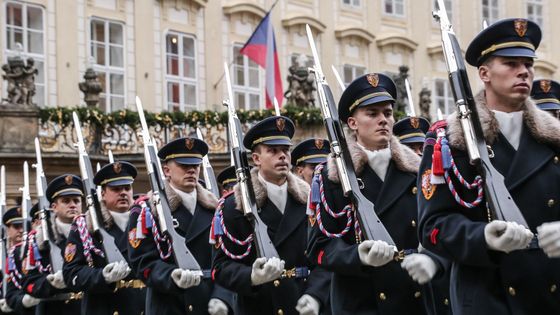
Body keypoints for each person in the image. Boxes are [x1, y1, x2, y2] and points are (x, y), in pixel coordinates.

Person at [418, 18, 560, 314]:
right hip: (487, 296)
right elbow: (432, 227)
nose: (524, 71)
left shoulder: (554, 139)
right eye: (510, 63)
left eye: (528, 64)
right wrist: (480, 237)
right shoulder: (451, 140)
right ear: (484, 73)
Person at [306, 73, 442, 314]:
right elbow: (320, 248)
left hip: (416, 296)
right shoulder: (332, 177)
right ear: (352, 123)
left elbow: (439, 226)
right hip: (363, 301)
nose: (383, 120)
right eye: (372, 114)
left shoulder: (417, 169)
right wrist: (357, 255)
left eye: (388, 113)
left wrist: (433, 259)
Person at [212, 116, 330, 315]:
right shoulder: (235, 205)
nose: (282, 156)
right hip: (260, 306)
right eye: (273, 151)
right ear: (256, 159)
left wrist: (316, 294)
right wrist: (251, 276)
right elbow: (221, 268)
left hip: (303, 303)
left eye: (285, 150)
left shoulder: (311, 200)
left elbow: (326, 254)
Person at [127, 137, 234, 315]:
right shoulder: (147, 211)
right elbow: (142, 262)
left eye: (196, 165)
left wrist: (223, 296)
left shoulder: (217, 209)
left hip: (211, 305)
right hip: (170, 304)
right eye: (184, 165)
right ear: (167, 170)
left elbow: (229, 259)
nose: (192, 170)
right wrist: (170, 275)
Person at [63, 161, 146, 314]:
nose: (123, 193)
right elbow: (71, 273)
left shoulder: (146, 220)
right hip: (105, 307)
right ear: (102, 193)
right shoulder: (85, 226)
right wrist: (101, 276)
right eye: (116, 189)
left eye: (127, 188)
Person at [2, 206, 38, 315]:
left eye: (24, 226)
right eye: (16, 226)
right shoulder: (3, 253)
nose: (21, 230)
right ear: (8, 230)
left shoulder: (35, 250)